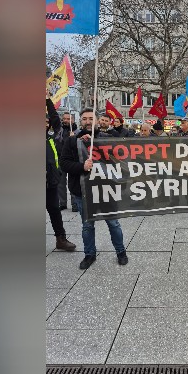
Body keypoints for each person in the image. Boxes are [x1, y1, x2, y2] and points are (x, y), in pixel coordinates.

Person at [59, 108, 128, 269]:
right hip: (82, 191)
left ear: (97, 121)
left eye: (91, 118)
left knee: (113, 223)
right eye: (84, 119)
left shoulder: (108, 139)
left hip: (106, 190)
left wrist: (95, 144)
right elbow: (64, 163)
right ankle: (89, 254)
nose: (88, 122)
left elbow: (118, 160)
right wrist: (81, 165)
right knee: (87, 225)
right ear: (80, 121)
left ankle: (121, 252)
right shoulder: (71, 141)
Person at [46, 93, 76, 252]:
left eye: (46, 122)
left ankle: (61, 239)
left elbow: (55, 119)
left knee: (55, 211)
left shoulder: (53, 137)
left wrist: (47, 100)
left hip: (50, 182)